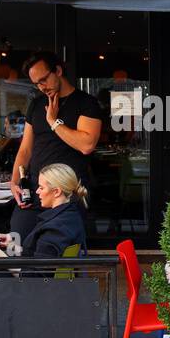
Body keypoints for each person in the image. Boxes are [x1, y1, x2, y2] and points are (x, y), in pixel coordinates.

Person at [9, 51, 103, 238]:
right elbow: (25, 150)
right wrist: (14, 182)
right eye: (36, 84)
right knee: (18, 243)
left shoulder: (86, 103)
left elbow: (87, 145)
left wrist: (53, 122)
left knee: (59, 252)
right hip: (36, 192)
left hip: (67, 194)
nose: (41, 87)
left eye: (43, 80)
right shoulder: (36, 105)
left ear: (58, 70)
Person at [0, 163, 88, 258]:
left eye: (41, 188)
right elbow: (39, 257)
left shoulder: (55, 228)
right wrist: (12, 246)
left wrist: (2, 257)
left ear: (56, 192)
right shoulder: (70, 216)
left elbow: (38, 276)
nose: (37, 191)